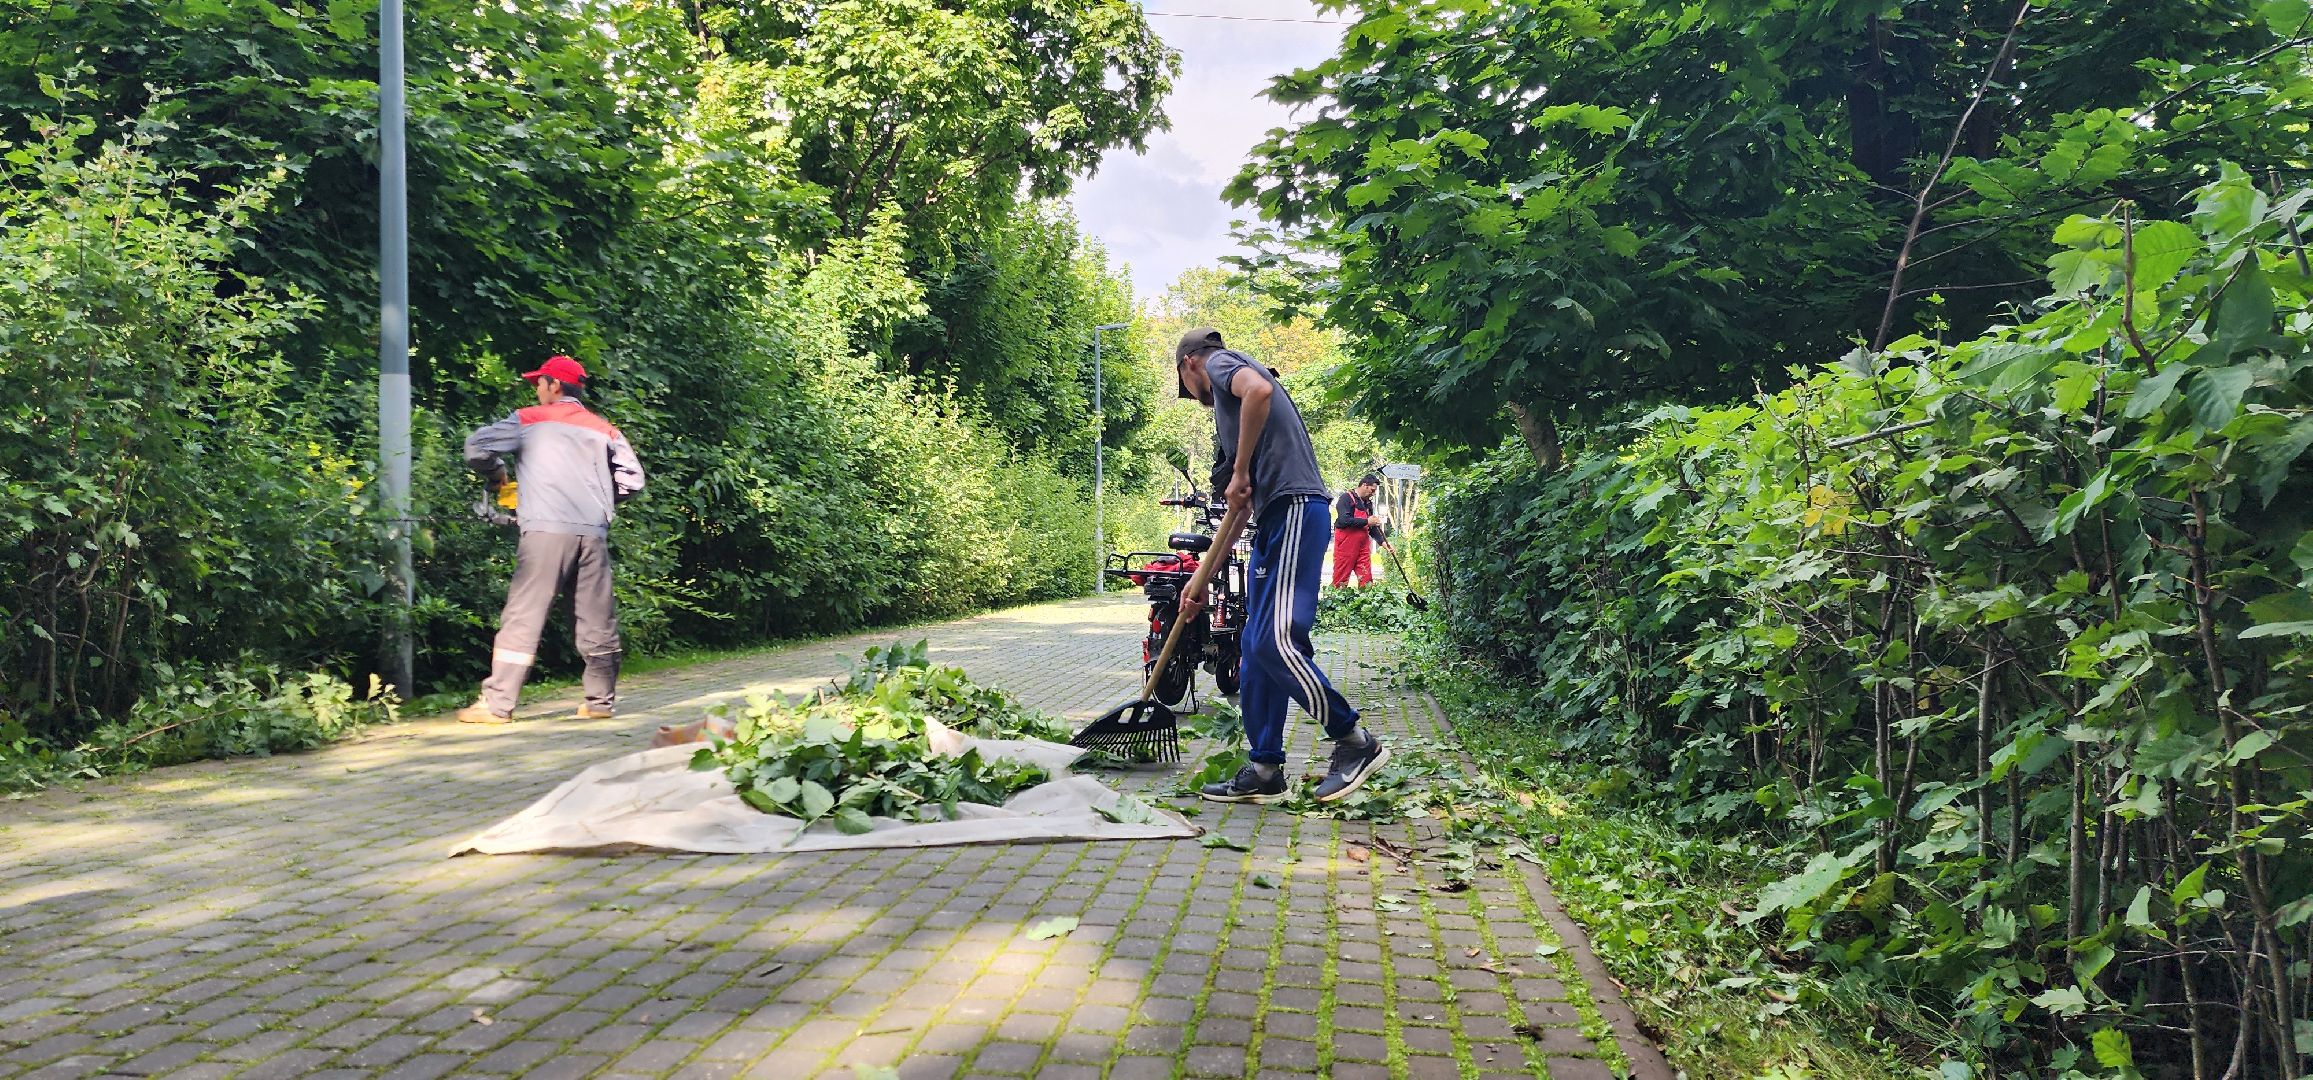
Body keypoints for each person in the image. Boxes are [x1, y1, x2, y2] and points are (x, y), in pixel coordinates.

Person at [1174, 327, 1390, 803]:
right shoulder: (1231, 419)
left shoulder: (1220, 363)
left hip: (1296, 509)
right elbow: (1238, 508)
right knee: (1253, 648)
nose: (1197, 401)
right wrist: (1200, 579)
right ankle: (1265, 769)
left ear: (1189, 363)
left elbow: (1260, 389)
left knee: (1275, 641)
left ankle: (1355, 742)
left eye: (1186, 390)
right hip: (1274, 519)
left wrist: (1242, 466)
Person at [454, 355, 645, 724]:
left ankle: (497, 706)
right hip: (592, 533)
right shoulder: (605, 429)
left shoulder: (528, 420)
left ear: (554, 385)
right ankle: (600, 702)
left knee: (524, 614)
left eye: (538, 384)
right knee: (596, 617)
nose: (536, 391)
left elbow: (476, 447)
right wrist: (601, 497)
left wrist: (497, 474)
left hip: (545, 533)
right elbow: (633, 480)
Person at [1330, 474, 1383, 588]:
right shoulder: (1346, 498)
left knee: (1366, 581)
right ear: (1364, 485)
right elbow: (1344, 520)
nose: (1373, 493)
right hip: (1345, 547)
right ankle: (1335, 602)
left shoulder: (1368, 503)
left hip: (1363, 548)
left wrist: (1382, 542)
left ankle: (1366, 603)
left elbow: (1371, 527)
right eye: (1372, 490)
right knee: (1341, 580)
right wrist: (1367, 521)